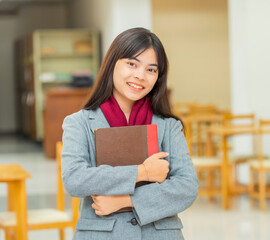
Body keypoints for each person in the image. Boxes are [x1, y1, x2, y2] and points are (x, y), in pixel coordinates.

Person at [61, 27, 198, 240]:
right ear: (112, 64)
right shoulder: (79, 123)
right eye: (132, 64)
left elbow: (187, 187)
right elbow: (75, 179)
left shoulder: (169, 126)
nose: (140, 76)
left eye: (151, 70)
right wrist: (143, 172)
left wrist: (125, 200)